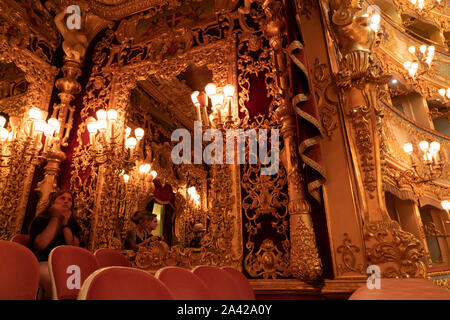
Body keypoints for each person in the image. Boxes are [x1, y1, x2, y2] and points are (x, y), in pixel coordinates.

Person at [28, 189, 81, 299]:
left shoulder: (73, 224)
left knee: (81, 282)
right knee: (54, 279)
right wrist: (55, 217)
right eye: (62, 198)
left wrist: (65, 224)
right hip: (42, 260)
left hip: (66, 264)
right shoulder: (41, 219)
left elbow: (74, 247)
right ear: (53, 202)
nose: (66, 201)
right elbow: (41, 245)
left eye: (69, 200)